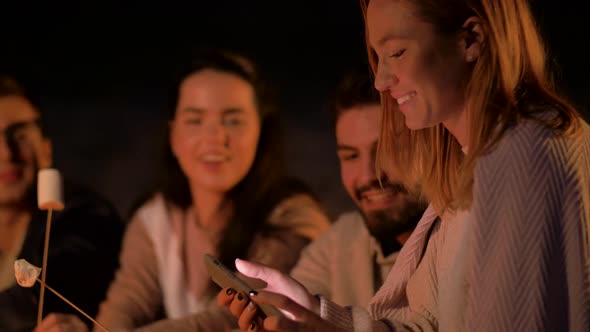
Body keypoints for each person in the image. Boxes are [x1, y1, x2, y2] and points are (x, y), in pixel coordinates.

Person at [218, 0, 590, 331]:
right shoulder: (474, 162)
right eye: (377, 57)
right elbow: (432, 322)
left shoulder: (522, 155)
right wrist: (312, 313)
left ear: (471, 40)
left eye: (396, 53)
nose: (381, 81)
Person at [43, 49, 331, 332]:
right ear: (174, 135)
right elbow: (124, 307)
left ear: (261, 131)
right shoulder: (156, 220)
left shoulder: (293, 217)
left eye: (233, 120)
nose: (215, 137)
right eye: (195, 120)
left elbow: (233, 316)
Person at [290, 70, 426, 307]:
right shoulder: (343, 240)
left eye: (387, 149)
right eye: (351, 156)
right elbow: (284, 310)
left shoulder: (462, 236)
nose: (368, 175)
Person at [0, 76, 124, 332]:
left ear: (46, 149)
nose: (6, 152)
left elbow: (47, 301)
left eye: (20, 135)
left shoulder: (86, 215)